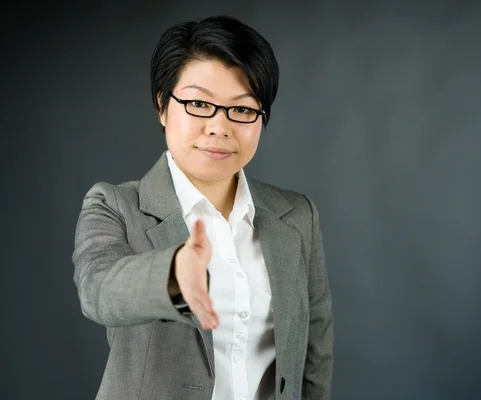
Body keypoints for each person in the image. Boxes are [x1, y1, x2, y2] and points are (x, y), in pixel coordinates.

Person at [72, 15, 333, 400]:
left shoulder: (297, 215)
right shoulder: (116, 204)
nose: (218, 126)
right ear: (163, 105)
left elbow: (315, 351)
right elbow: (98, 291)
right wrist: (173, 275)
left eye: (242, 109)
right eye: (198, 103)